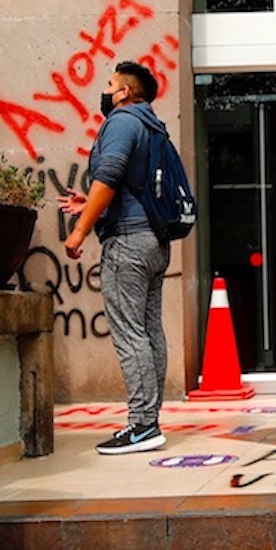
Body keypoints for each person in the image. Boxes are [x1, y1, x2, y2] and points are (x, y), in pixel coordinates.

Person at [60, 60, 175, 454]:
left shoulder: (121, 122)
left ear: (124, 91)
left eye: (110, 84)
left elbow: (108, 176)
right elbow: (128, 185)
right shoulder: (152, 125)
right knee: (148, 331)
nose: (106, 90)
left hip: (127, 243)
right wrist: (88, 204)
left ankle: (142, 425)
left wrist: (79, 231)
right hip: (154, 243)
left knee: (130, 334)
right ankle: (150, 418)